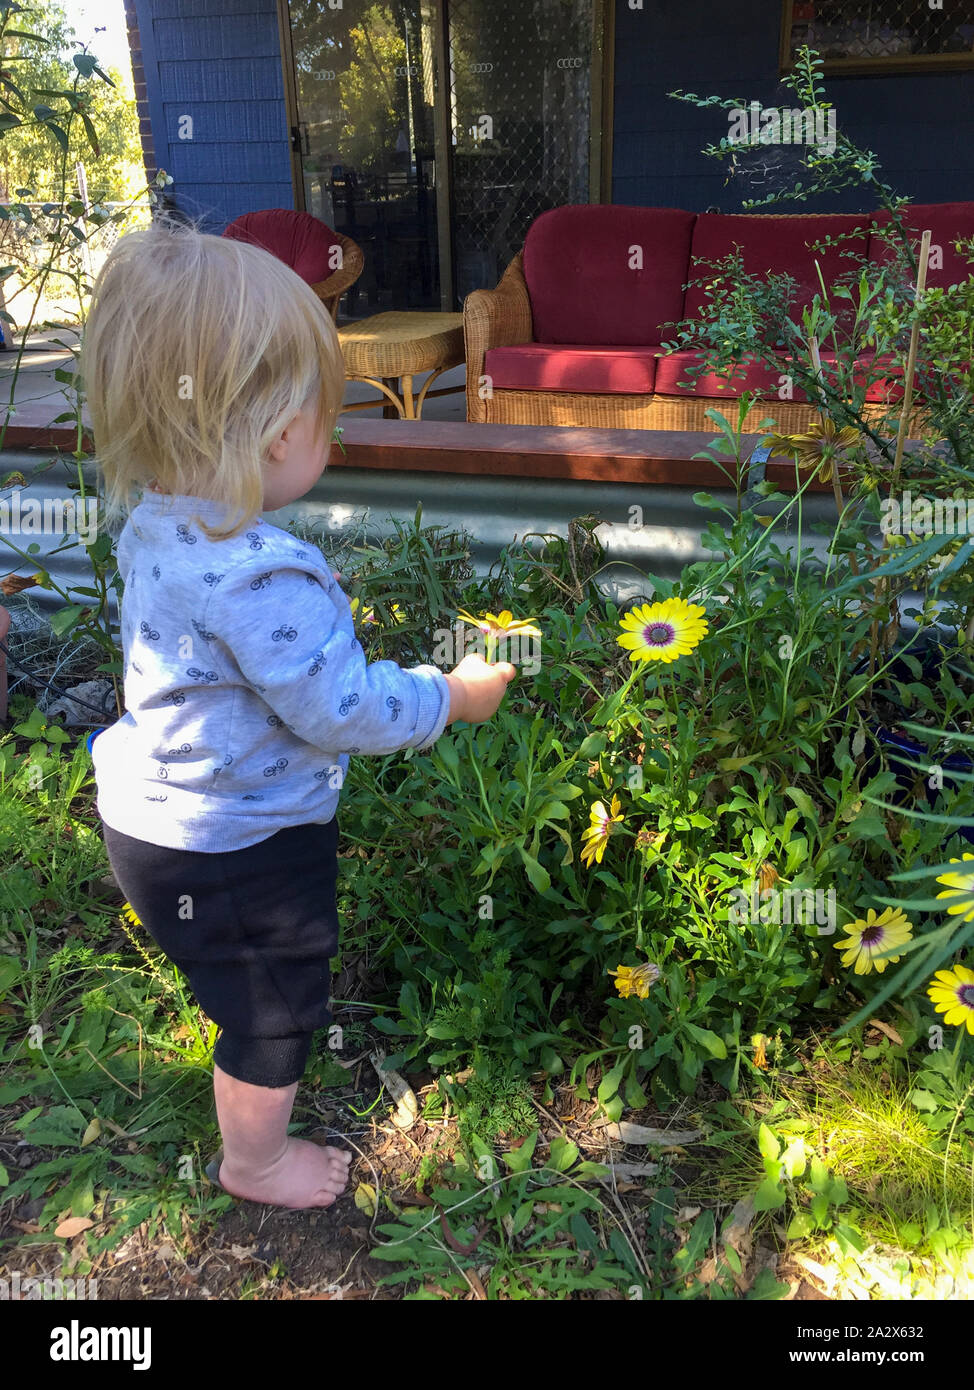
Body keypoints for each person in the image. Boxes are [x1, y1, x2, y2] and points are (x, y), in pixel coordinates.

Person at [82, 220, 516, 1209]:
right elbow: (342, 707)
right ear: (282, 436)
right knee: (271, 1012)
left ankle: (224, 1001)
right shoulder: (260, 573)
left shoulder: (158, 522)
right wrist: (453, 695)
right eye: (328, 415)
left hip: (157, 824)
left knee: (236, 981)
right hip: (234, 846)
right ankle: (256, 1163)